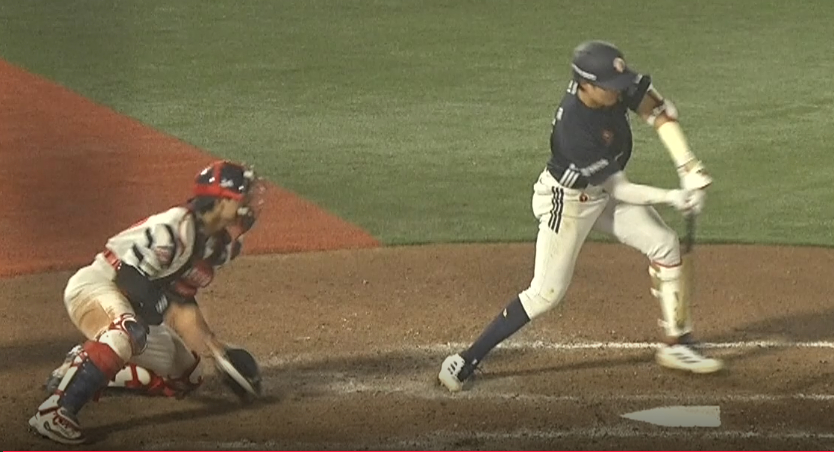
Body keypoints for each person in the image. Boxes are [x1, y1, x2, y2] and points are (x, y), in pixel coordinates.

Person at [438, 40, 723, 392]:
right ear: (586, 86)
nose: (618, 92)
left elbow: (658, 110)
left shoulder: (611, 85)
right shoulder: (574, 126)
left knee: (664, 243)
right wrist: (673, 197)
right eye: (610, 87)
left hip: (602, 192)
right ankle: (467, 359)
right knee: (546, 294)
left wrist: (687, 166)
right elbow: (621, 189)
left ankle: (676, 344)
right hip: (568, 201)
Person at [29, 160, 264, 444]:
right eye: (242, 196)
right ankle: (54, 411)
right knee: (128, 331)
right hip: (99, 285)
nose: (248, 204)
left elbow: (183, 299)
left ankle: (82, 367)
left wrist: (218, 350)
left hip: (134, 307)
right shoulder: (174, 228)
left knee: (188, 375)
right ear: (221, 200)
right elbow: (129, 279)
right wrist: (164, 306)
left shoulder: (218, 246)